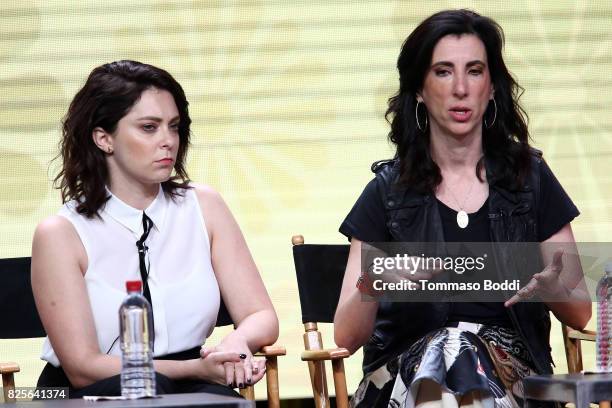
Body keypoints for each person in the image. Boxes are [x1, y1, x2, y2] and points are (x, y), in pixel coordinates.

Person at [333, 10, 591, 408]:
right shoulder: (386, 193)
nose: (459, 88)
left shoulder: (531, 179)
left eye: (473, 71)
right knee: (448, 348)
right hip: (402, 382)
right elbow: (345, 338)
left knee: (458, 350)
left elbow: (580, 315)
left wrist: (552, 286)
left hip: (513, 380)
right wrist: (375, 282)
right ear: (419, 88)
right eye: (442, 72)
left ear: (491, 88)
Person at [31, 60, 279, 398]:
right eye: (149, 127)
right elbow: (83, 368)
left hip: (195, 383)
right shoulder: (60, 233)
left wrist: (238, 341)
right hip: (93, 391)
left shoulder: (204, 206)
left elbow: (260, 314)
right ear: (104, 138)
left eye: (174, 126)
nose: (168, 141)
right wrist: (194, 369)